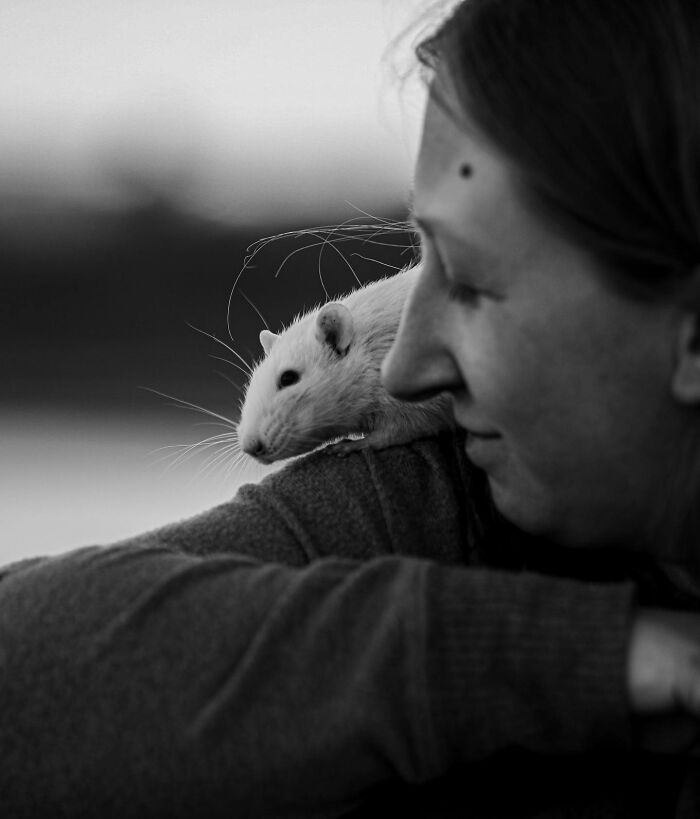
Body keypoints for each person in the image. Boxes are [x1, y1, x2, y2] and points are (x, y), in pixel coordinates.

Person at [3, 0, 700, 815]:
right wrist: (588, 654)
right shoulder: (439, 498)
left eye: (472, 284)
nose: (404, 365)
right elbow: (22, 655)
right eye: (420, 258)